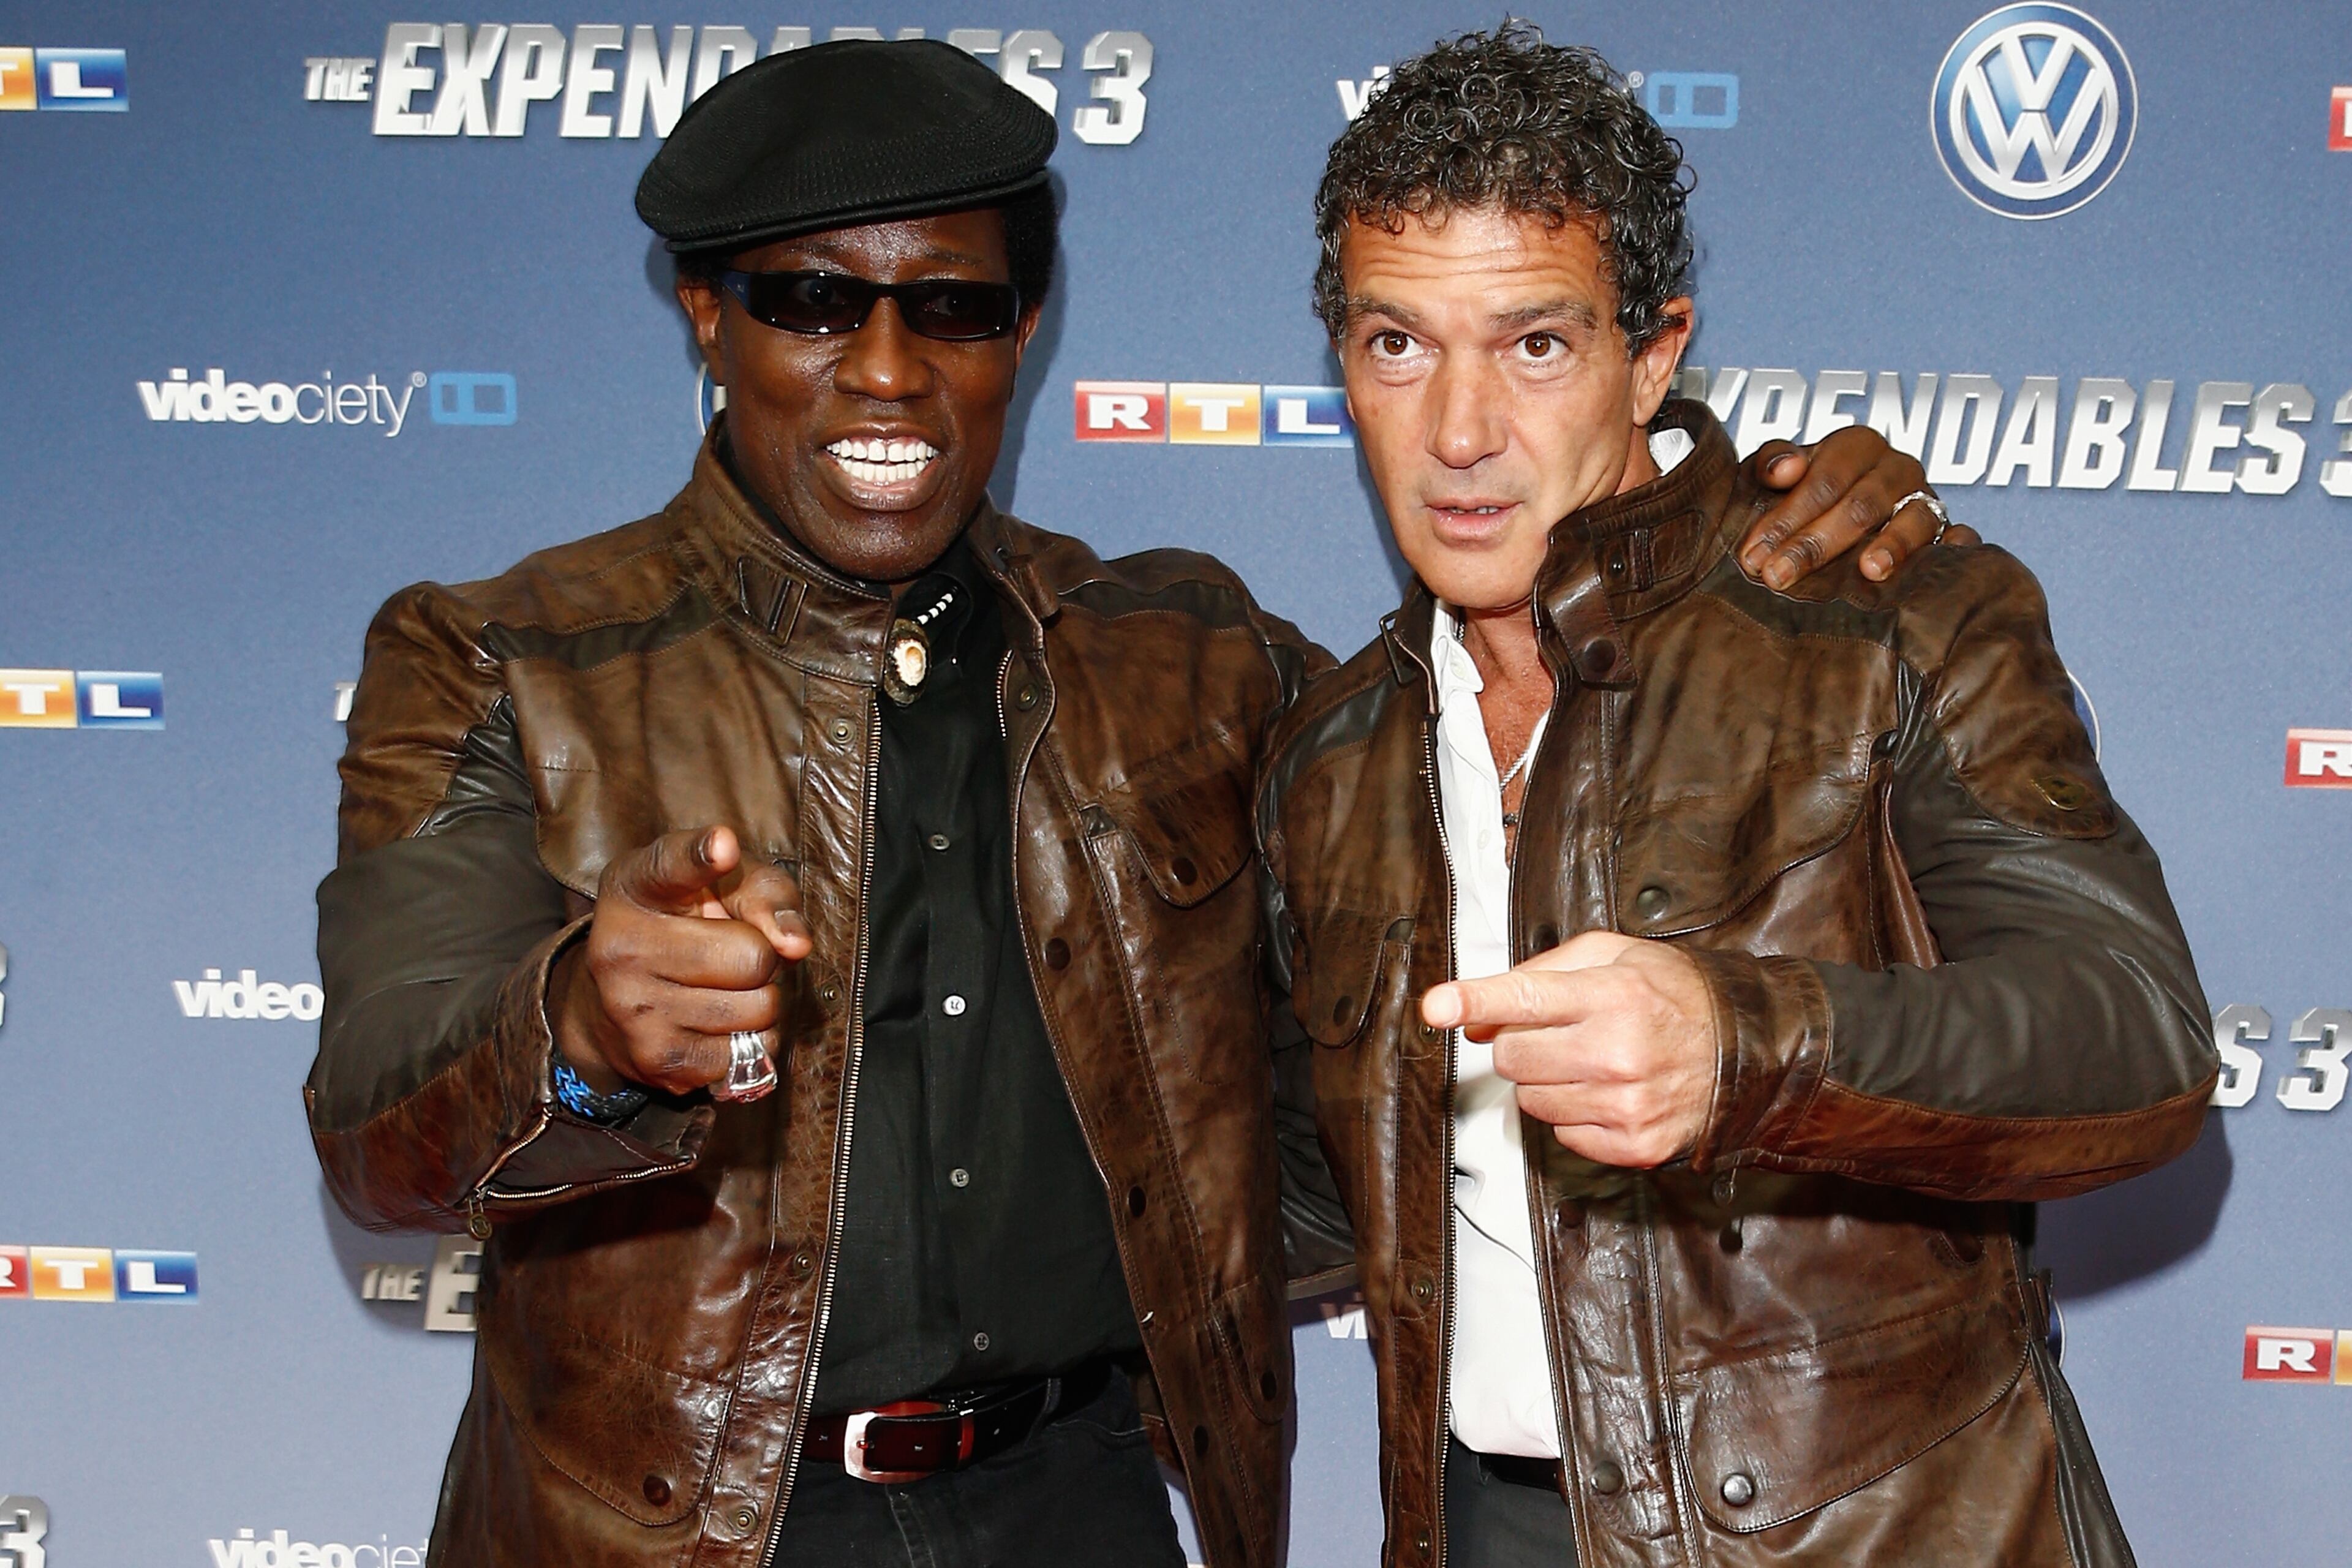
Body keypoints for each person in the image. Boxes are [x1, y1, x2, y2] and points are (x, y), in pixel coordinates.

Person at [305, 36, 1953, 1568]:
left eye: (950, 309)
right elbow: (382, 1135)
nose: (885, 372)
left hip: (1083, 1503)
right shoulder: (501, 656)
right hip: (664, 1531)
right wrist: (585, 1030)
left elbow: (1503, 700)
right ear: (706, 316)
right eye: (812, 302)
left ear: (1025, 329)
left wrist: (1739, 515)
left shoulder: (1185, 654)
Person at [1257, 24, 2218, 1568]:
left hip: (1881, 1530)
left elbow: (2138, 1039)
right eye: (1397, 344)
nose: (1458, 431)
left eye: (1536, 343)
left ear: (1653, 351)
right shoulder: (1335, 755)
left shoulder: (1881, 612)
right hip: (1482, 1528)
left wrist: (1746, 1046)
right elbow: (1289, 1193)